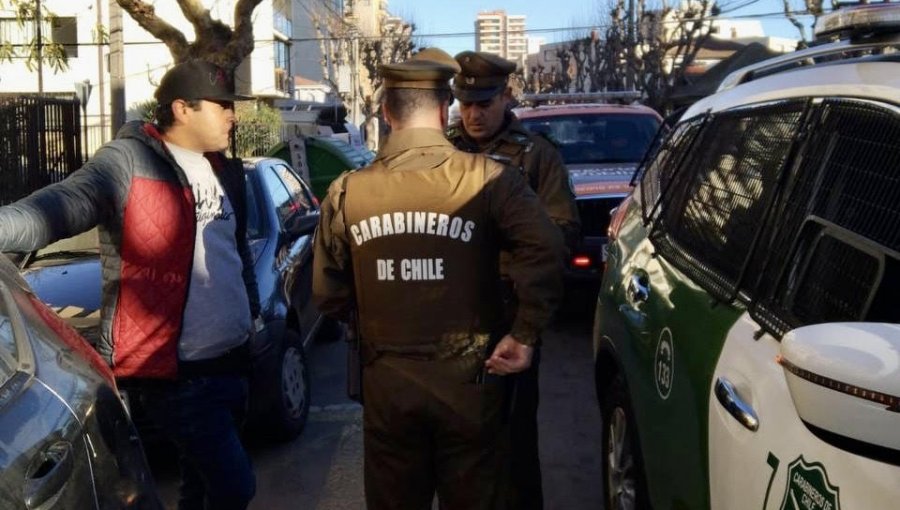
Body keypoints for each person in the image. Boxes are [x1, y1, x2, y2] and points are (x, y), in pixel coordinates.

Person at [0, 59, 259, 510]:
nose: (232, 115)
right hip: (176, 375)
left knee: (198, 485)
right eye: (222, 105)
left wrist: (251, 316)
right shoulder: (128, 161)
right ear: (182, 108)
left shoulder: (225, 169)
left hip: (231, 364)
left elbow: (234, 255)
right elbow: (60, 206)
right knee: (236, 486)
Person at [313, 48, 565, 510]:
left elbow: (327, 293)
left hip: (387, 381)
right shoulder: (491, 179)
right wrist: (524, 333)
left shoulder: (348, 190)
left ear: (387, 113)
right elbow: (548, 246)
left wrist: (373, 314)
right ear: (445, 107)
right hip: (472, 378)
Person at [447, 50, 581, 510]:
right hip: (449, 311)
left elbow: (561, 234)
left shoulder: (536, 155)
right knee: (456, 441)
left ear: (506, 96)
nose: (473, 113)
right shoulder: (444, 150)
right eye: (465, 103)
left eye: (484, 102)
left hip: (510, 309)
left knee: (514, 440)